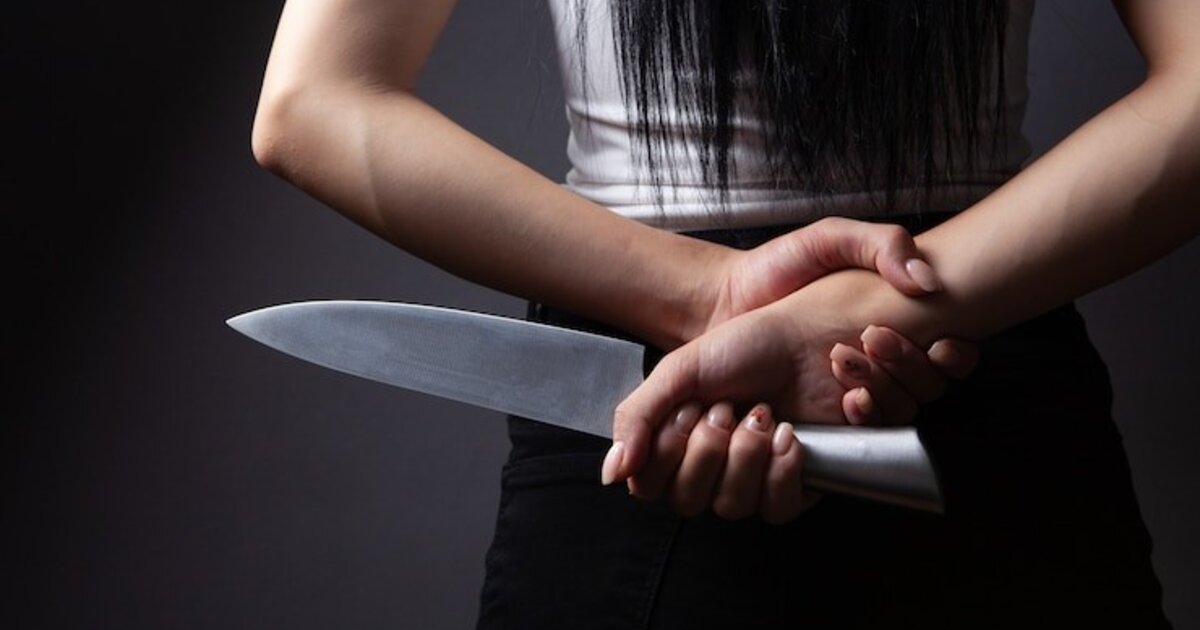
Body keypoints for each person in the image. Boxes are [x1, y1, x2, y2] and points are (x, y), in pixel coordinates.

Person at [251, 0, 1195, 627]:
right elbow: (310, 107)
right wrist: (726, 299)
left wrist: (734, 305)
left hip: (878, 362)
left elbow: (316, 98)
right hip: (888, 342)